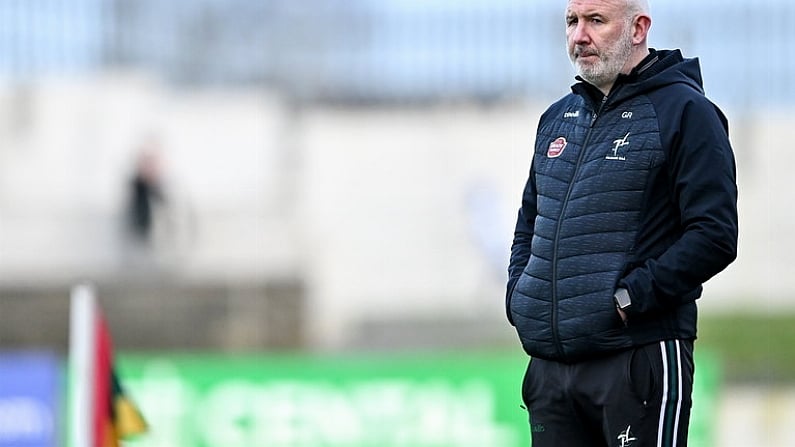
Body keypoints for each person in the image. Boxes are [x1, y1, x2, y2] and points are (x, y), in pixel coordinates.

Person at [505, 0, 738, 446]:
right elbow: (528, 227)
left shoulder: (686, 112)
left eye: (596, 20)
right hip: (551, 373)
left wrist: (629, 299)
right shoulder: (556, 119)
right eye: (572, 22)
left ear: (638, 28)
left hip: (636, 362)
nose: (579, 36)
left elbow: (714, 234)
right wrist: (521, 299)